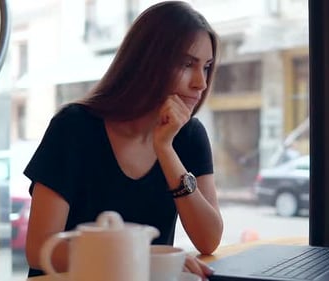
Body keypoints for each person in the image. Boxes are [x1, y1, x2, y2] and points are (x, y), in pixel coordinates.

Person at [24, 1, 224, 280]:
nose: (200, 83)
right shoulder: (73, 127)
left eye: (206, 67)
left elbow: (209, 239)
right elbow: (40, 248)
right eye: (187, 64)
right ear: (148, 62)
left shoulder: (189, 135)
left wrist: (165, 150)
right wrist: (143, 262)